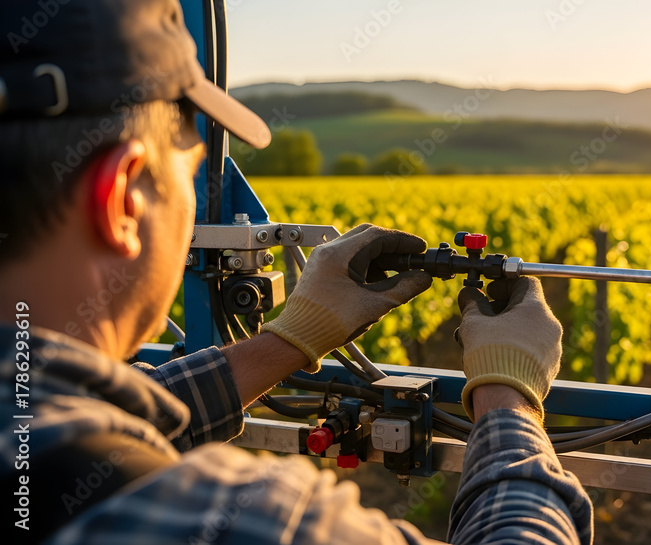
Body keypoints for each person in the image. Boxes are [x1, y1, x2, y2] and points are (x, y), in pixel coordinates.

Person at [0, 0, 593, 543]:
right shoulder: (245, 523)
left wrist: (290, 339)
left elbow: (63, 430)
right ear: (123, 199)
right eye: (187, 171)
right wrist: (507, 395)